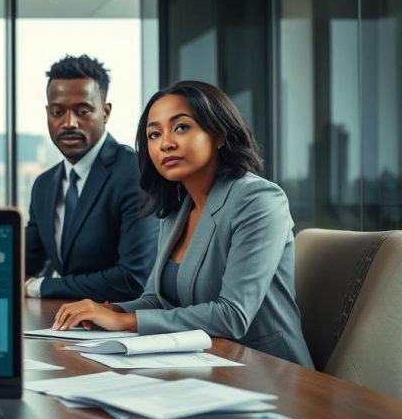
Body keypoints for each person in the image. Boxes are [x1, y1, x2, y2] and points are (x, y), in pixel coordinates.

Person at [52, 80, 314, 367]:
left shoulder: (259, 200)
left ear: (219, 135)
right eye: (154, 134)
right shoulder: (176, 208)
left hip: (269, 369)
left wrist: (125, 321)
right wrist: (109, 310)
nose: (166, 143)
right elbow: (157, 300)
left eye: (181, 127)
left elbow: (232, 316)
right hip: (202, 362)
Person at [25, 55, 158, 302]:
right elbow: (25, 263)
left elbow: (133, 279)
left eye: (83, 111)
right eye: (57, 112)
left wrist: (40, 287)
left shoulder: (135, 172)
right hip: (63, 321)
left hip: (120, 321)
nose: (68, 123)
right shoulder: (44, 185)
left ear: (105, 113)